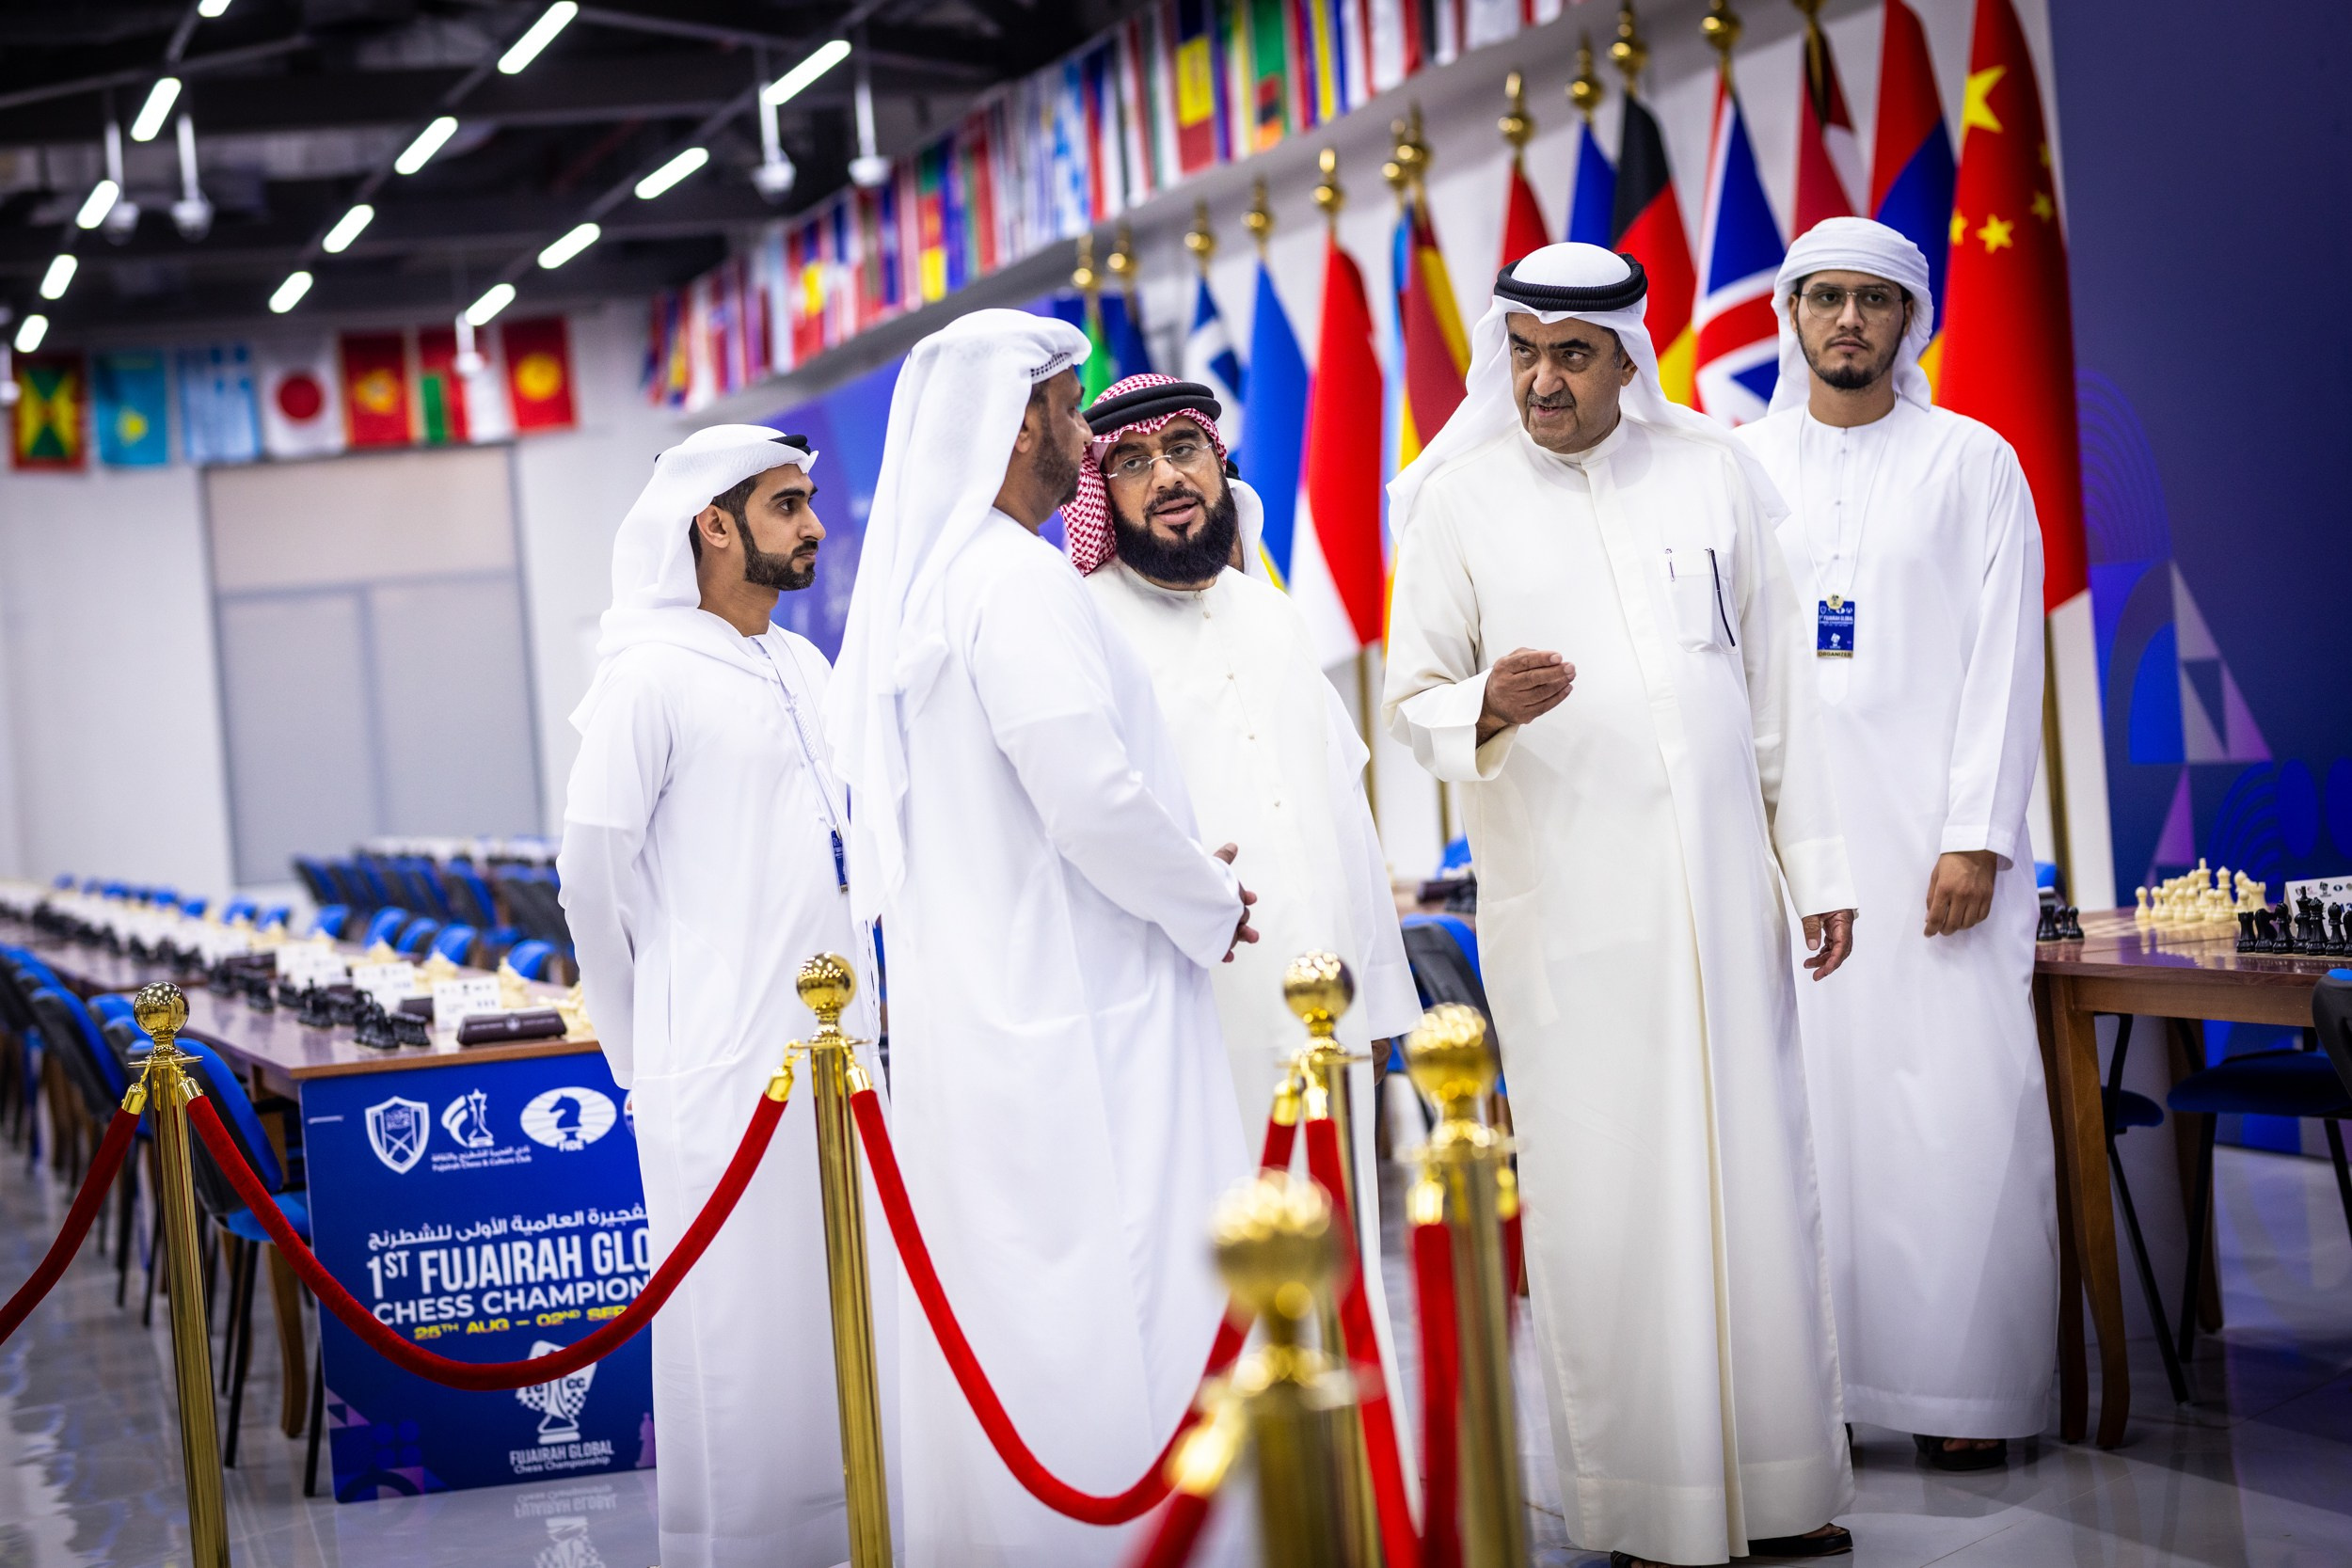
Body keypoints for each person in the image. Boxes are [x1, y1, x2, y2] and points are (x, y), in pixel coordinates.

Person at [1383, 243, 1859, 1568]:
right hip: (1575, 921)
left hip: (1723, 905)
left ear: (1628, 357)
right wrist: (1482, 703)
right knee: (1614, 1200)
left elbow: (1777, 693)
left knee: (1759, 1185)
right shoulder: (1458, 503)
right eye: (1524, 350)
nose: (1543, 377)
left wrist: (1813, 868)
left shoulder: (1715, 473)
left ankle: (1780, 1485)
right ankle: (1652, 1507)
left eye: (1572, 353)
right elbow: (1411, 692)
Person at [825, 312, 1258, 1567]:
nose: (1083, 430)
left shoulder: (946, 579)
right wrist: (1207, 898)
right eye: (1073, 405)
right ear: (1024, 420)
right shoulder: (1014, 580)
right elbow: (1090, 796)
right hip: (1088, 1003)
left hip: (993, 999)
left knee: (1023, 1291)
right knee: (1112, 1282)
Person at [1736, 216, 2053, 1471]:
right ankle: (1823, 1389)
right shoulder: (1743, 464)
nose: (1849, 319)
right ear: (1791, 313)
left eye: (1874, 299)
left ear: (1910, 320)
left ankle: (1963, 1392)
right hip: (1791, 858)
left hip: (1935, 858)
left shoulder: (1975, 462)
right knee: (1805, 1118)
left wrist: (1975, 835)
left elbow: (2005, 660)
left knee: (1952, 1110)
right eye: (1826, 297)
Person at [557, 426, 892, 1568]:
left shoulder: (804, 665)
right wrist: (638, 1047)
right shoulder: (645, 674)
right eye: (789, 505)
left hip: (846, 1058)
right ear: (714, 524)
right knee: (745, 1344)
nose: (814, 525)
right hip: (718, 1068)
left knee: (849, 1321)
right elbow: (587, 878)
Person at [1066, 370, 1422, 1423]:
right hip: (1186, 1024)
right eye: (1129, 461)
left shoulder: (1268, 609)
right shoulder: (1083, 626)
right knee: (1214, 1282)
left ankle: (1360, 1495)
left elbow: (1340, 814)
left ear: (1220, 461)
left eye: (1184, 448)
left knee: (1337, 1265)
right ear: (1099, 493)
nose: (1166, 477)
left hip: (1319, 1016)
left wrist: (1379, 1006)